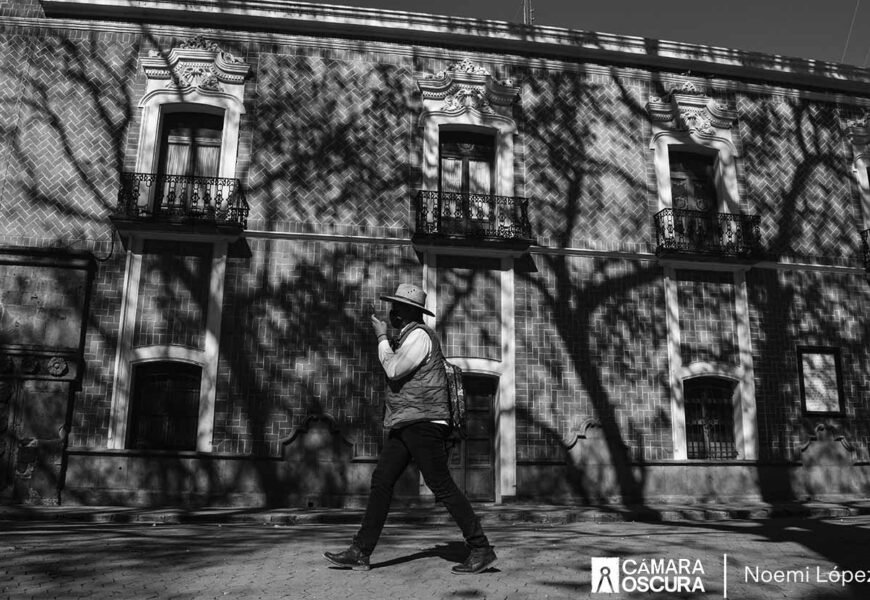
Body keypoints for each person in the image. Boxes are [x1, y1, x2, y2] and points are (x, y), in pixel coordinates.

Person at [324, 283, 497, 574]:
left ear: (408, 313)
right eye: (392, 307)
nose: (391, 312)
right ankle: (361, 551)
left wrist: (380, 337)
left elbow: (393, 370)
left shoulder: (419, 336)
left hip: (424, 422)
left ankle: (481, 548)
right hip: (407, 422)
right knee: (382, 480)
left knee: (440, 484)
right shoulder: (407, 338)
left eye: (396, 308)